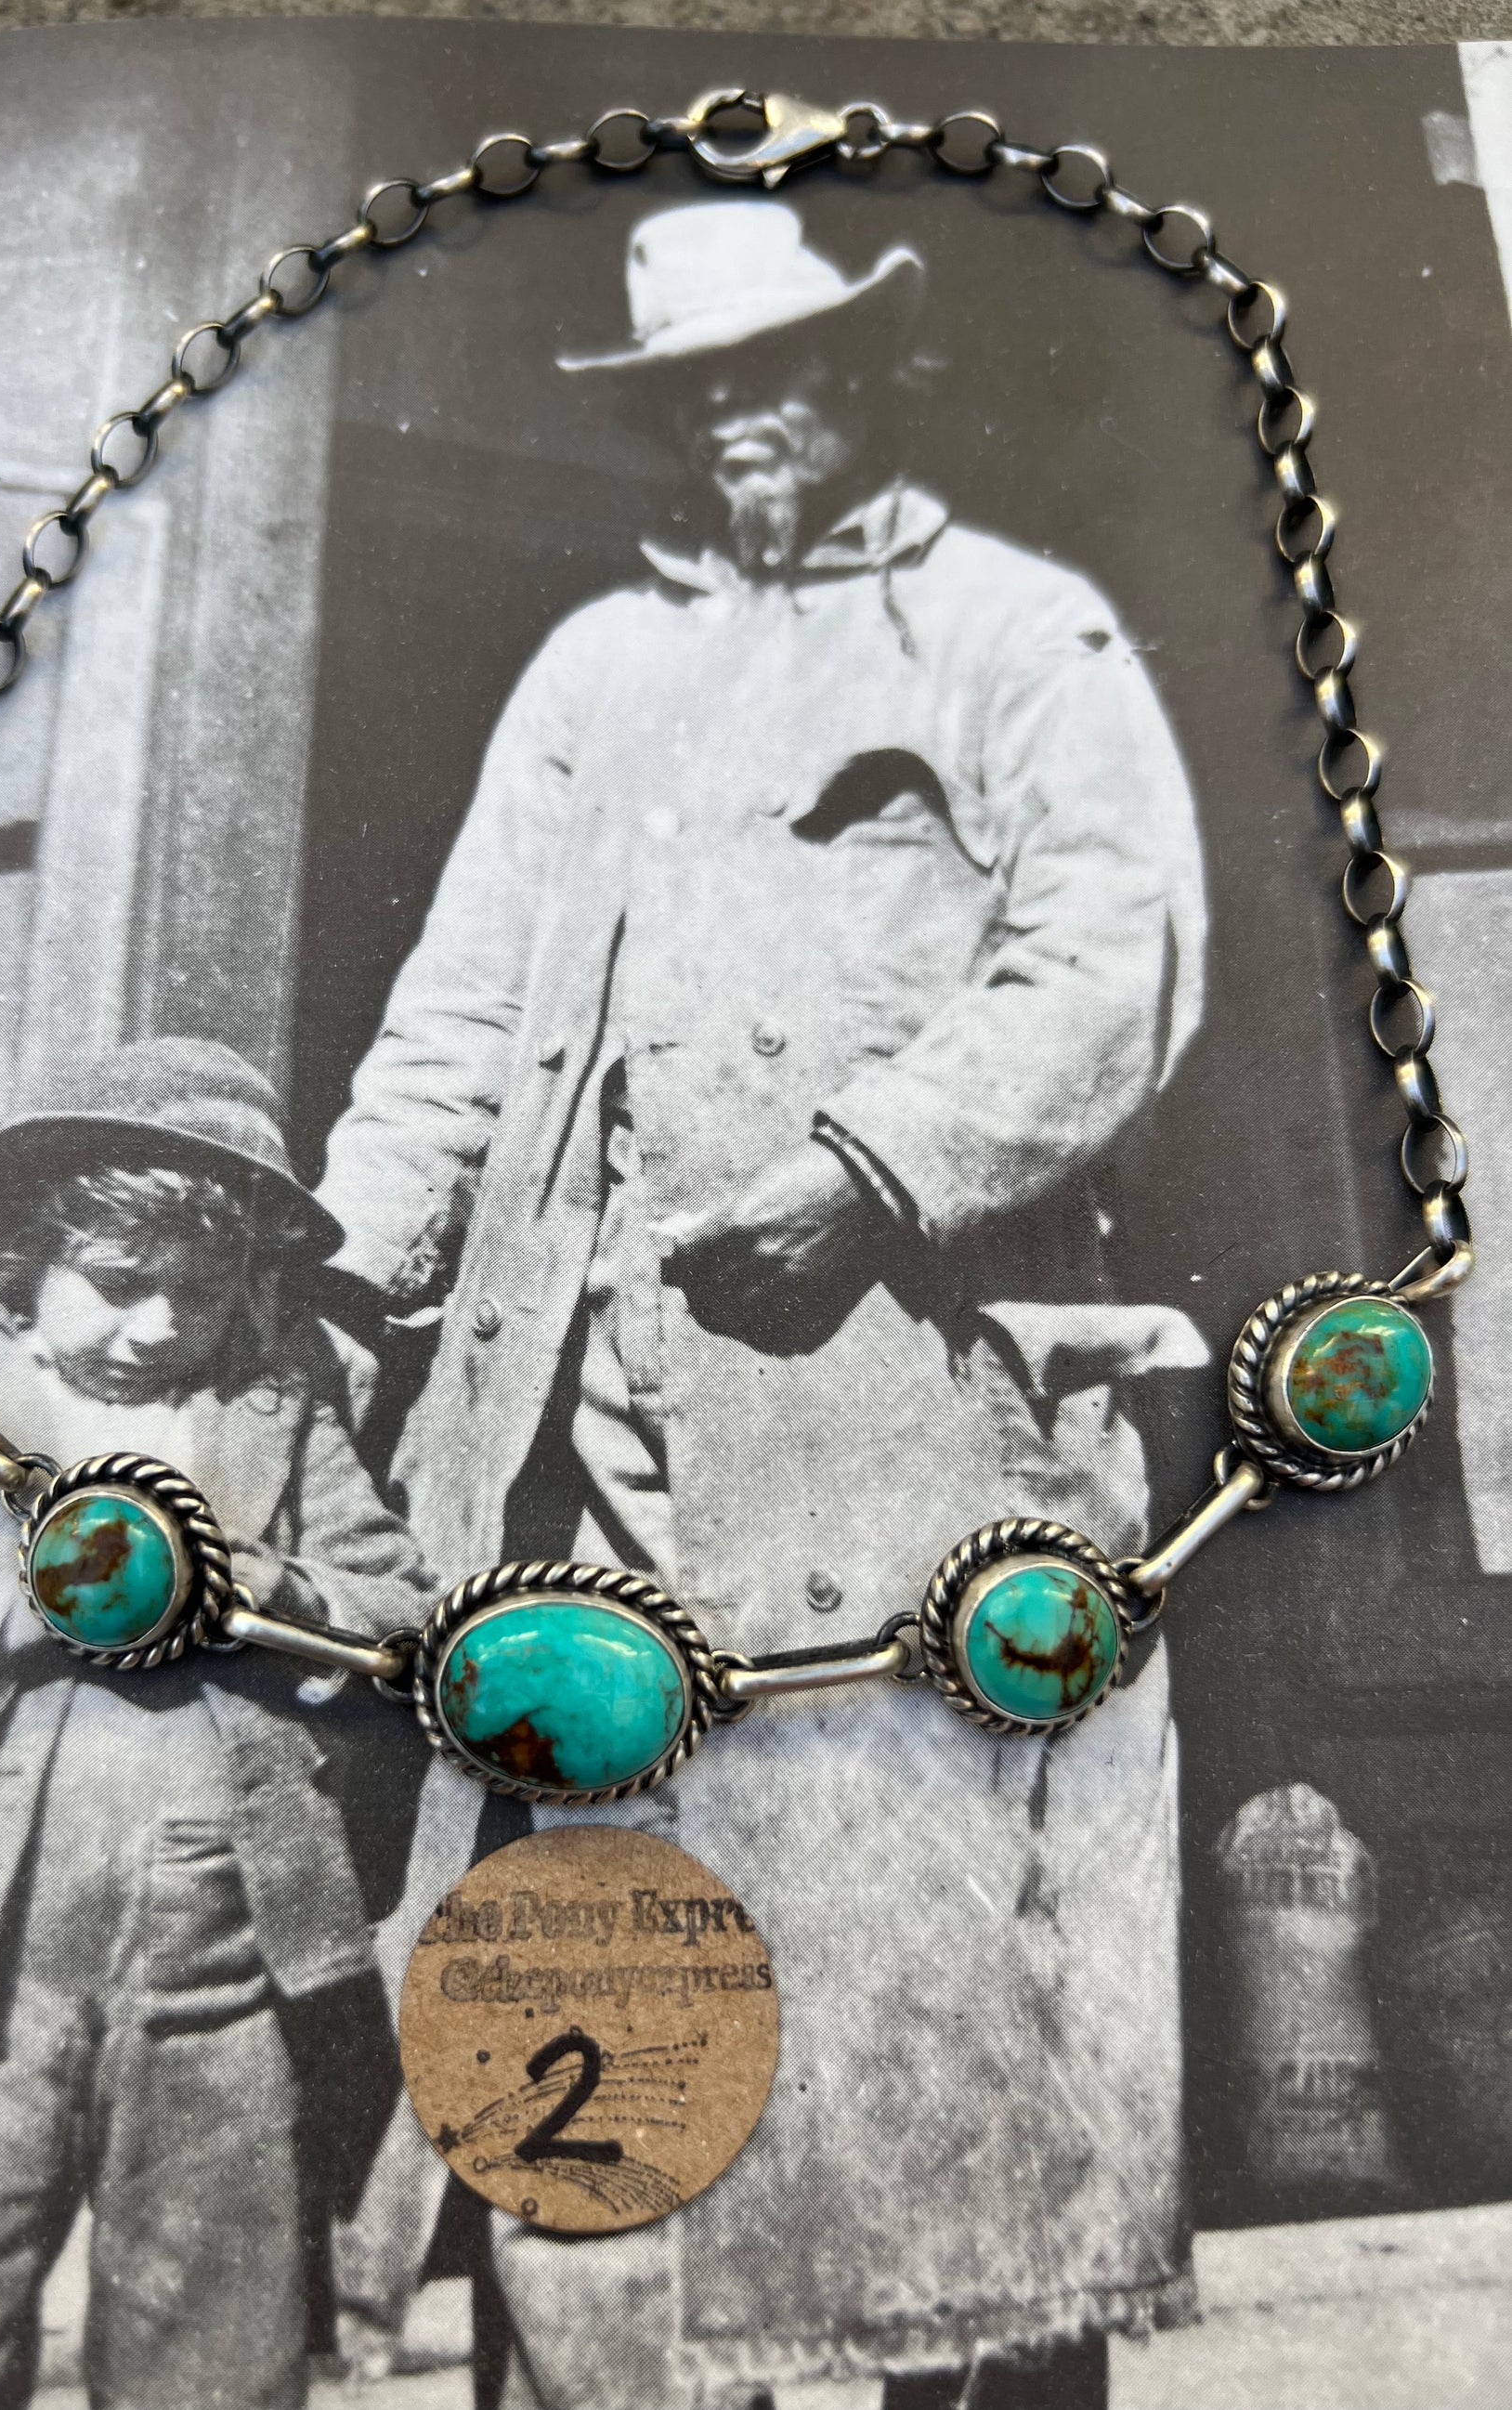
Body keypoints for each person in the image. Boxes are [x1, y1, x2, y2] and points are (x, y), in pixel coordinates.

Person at [319, 200, 1209, 2410]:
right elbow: (456, 1015)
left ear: (874, 370)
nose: (733, 416)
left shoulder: (1013, 634)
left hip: (901, 1430)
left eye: (773, 370)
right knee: (593, 1982)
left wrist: (872, 1163)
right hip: (584, 1450)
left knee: (933, 1993)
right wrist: (342, 1273)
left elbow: (1111, 963)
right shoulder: (593, 672)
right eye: (689, 389)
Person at [0, 1036, 440, 2410]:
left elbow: (400, 1615)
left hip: (224, 1963)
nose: (157, 1327)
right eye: (119, 1283)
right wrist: (51, 1596)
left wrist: (261, 1590)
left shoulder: (276, 1405)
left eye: (199, 1294)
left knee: (212, 2355)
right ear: (34, 1261)